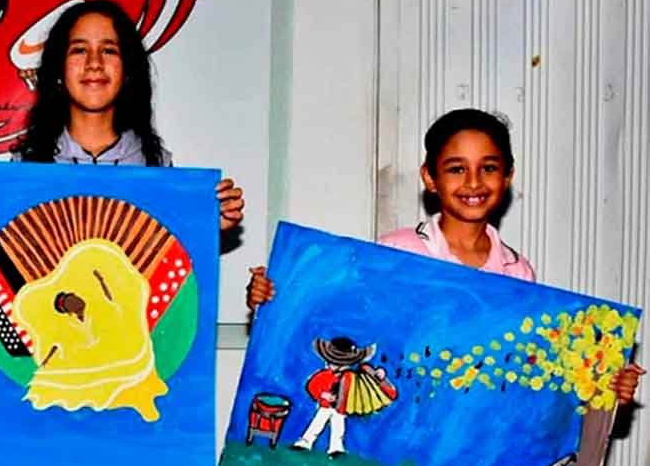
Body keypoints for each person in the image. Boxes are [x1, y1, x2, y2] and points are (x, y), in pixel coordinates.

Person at [246, 107, 642, 400]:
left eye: (489, 168)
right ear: (430, 177)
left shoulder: (518, 273)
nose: (474, 182)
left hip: (468, 436)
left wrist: (606, 385)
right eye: (456, 169)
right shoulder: (398, 251)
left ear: (507, 176)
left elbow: (529, 375)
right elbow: (344, 320)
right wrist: (272, 299)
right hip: (397, 417)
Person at [0, 0, 247, 235]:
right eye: (79, 50)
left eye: (109, 50)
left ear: (128, 71)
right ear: (58, 71)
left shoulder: (157, 166)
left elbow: (170, 261)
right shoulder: (26, 166)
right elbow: (10, 258)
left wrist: (205, 227)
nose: (94, 63)